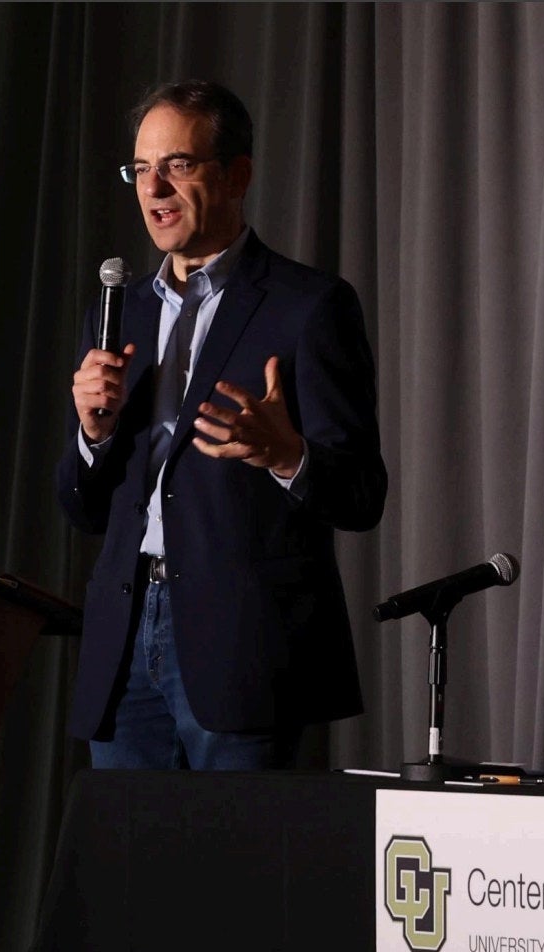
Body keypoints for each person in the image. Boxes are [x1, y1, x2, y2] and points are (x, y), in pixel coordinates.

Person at [57, 79, 387, 770]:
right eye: (141, 169)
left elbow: (361, 494)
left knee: (237, 876)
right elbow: (83, 509)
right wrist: (93, 435)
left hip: (243, 649)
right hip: (125, 648)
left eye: (177, 164)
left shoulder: (309, 306)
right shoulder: (119, 314)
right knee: (130, 875)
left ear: (238, 174)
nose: (155, 188)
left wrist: (286, 455)